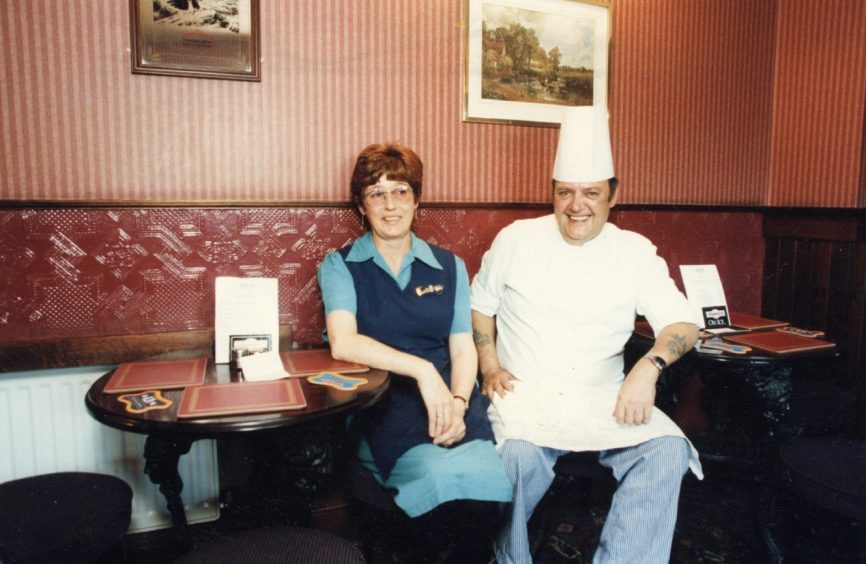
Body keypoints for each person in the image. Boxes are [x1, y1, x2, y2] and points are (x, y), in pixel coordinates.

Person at [470, 107, 704, 564]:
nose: (577, 205)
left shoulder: (634, 251)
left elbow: (683, 325)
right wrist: (490, 366)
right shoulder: (516, 238)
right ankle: (510, 558)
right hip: (525, 396)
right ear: (554, 194)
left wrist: (647, 368)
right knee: (514, 459)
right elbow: (481, 309)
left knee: (667, 449)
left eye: (591, 193)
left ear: (613, 196)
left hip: (604, 398)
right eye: (566, 193)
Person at [317, 143, 512, 562]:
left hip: (454, 399)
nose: (390, 205)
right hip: (385, 405)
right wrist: (423, 371)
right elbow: (344, 341)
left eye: (401, 191)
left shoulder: (450, 265)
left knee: (487, 485)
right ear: (360, 205)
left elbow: (464, 351)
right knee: (437, 481)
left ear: (417, 199)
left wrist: (458, 403)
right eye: (377, 193)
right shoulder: (341, 265)